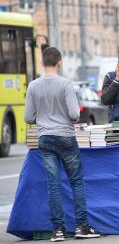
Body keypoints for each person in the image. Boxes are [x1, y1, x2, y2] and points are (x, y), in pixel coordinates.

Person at [24, 47, 100, 242]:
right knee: (76, 181)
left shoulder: (33, 86)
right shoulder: (66, 84)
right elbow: (75, 114)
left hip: (45, 138)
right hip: (65, 137)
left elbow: (28, 117)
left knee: (53, 185)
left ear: (42, 63)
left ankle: (57, 230)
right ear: (60, 62)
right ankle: (82, 227)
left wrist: (44, 117)